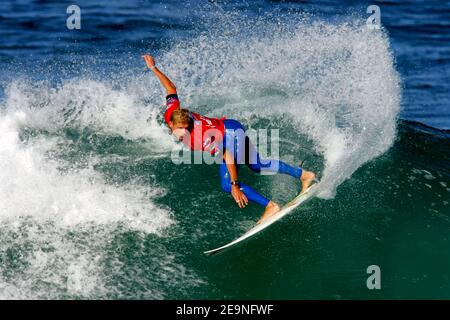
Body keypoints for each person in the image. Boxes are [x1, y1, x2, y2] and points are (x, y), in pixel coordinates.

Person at [142, 55, 316, 223]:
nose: (182, 133)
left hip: (229, 136)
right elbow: (171, 88)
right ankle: (304, 175)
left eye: (185, 129)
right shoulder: (172, 111)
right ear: (170, 122)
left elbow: (227, 155)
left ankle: (271, 206)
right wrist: (153, 68)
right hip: (232, 126)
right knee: (258, 165)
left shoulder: (198, 137)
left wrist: (234, 185)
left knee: (227, 184)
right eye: (179, 130)